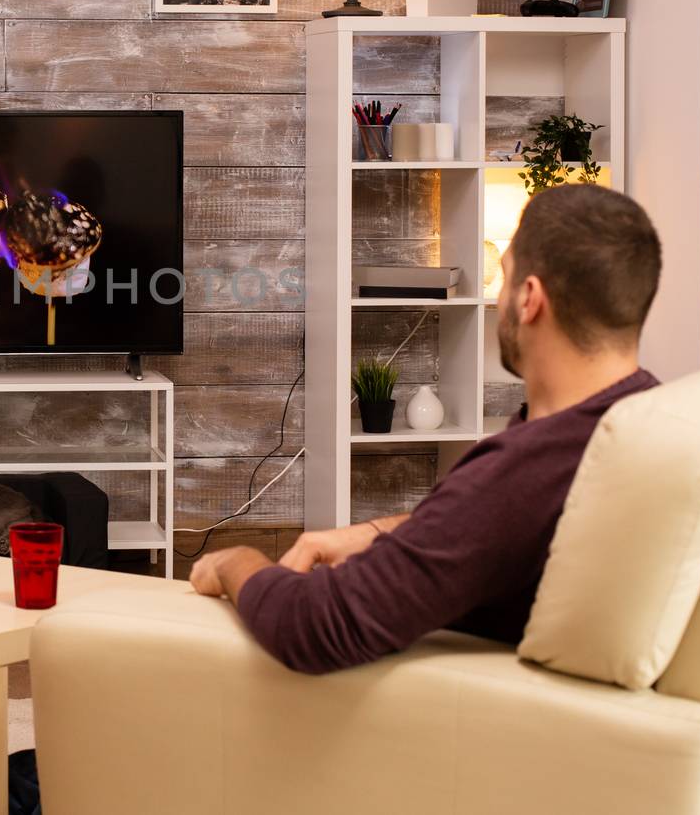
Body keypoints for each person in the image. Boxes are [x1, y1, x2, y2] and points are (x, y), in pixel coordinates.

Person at [189, 184, 664, 673]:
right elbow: (490, 530)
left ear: (529, 299)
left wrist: (236, 561)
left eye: (503, 279)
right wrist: (377, 532)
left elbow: (312, 625)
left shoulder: (528, 470)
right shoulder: (647, 417)